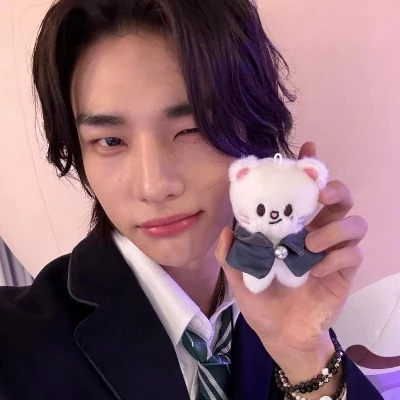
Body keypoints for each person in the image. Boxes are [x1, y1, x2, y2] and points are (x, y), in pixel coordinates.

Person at [0, 0, 384, 399]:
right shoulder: (16, 343)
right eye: (110, 141)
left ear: (254, 129)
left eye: (192, 129)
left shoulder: (286, 291)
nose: (154, 186)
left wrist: (305, 357)